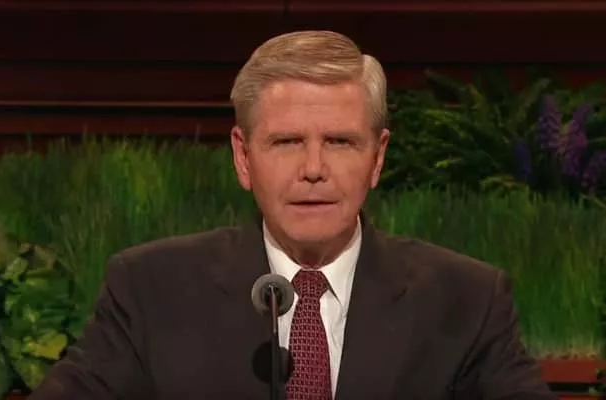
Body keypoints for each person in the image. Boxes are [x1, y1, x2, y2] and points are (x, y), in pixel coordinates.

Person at [29, 30, 556, 399]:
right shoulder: (149, 292)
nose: (313, 169)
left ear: (377, 158)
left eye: (340, 142)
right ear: (243, 157)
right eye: (286, 142)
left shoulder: (466, 301)